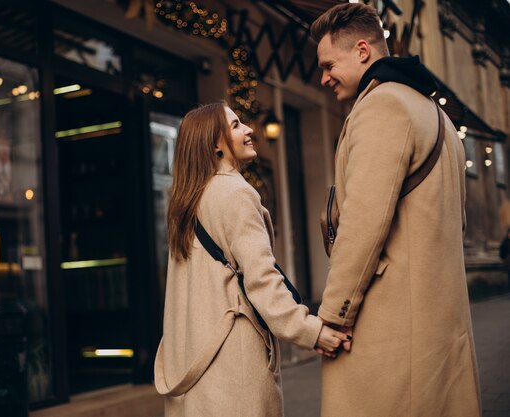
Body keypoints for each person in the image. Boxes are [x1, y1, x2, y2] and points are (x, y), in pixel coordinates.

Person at [310, 3, 481, 417]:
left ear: (363, 50)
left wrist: (332, 316)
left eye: (329, 63)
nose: (323, 77)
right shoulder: (434, 114)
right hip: (438, 322)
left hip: (393, 328)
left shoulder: (382, 107)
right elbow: (455, 221)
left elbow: (363, 225)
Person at [153, 101, 348, 417]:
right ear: (215, 144)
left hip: (193, 369)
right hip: (233, 367)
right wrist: (311, 331)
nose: (248, 130)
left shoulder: (185, 205)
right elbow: (262, 280)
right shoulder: (235, 194)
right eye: (235, 125)